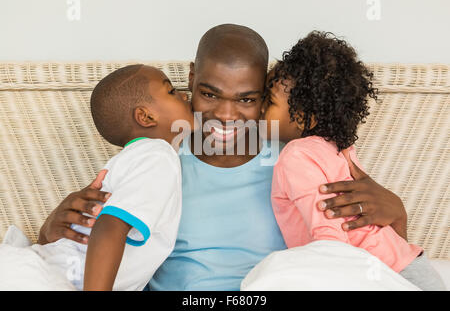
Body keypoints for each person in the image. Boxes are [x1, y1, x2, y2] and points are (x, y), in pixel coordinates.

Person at [38, 24, 410, 291]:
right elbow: (99, 241)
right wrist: (50, 231)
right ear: (191, 77)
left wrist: (397, 212)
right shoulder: (158, 159)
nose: (227, 115)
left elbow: (367, 261)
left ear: (267, 95)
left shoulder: (298, 162)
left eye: (247, 99)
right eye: (210, 94)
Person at [263, 31, 446, 290]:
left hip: (384, 274)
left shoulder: (295, 156)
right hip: (408, 264)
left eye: (268, 102)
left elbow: (328, 239)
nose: (259, 109)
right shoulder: (339, 147)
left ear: (305, 117)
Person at [0, 64, 195, 290]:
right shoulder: (158, 155)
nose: (184, 94)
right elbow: (110, 225)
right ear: (145, 116)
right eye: (171, 91)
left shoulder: (133, 159)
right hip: (45, 278)